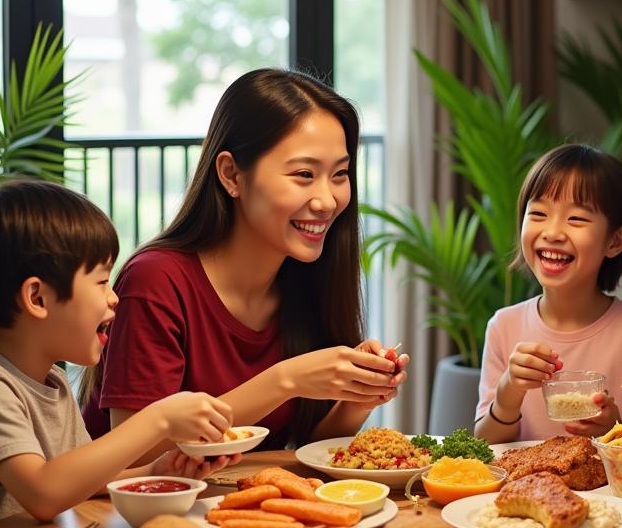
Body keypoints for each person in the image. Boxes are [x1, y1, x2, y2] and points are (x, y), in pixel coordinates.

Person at [82, 69, 408, 453]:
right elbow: (136, 456)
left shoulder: (305, 278)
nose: (327, 200)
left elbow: (305, 451)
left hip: (240, 505)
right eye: (304, 174)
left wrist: (356, 399)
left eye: (339, 174)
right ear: (231, 174)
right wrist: (286, 380)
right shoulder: (156, 280)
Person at [0, 178, 232, 528]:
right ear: (37, 298)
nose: (114, 298)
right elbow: (44, 493)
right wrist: (159, 419)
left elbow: (78, 481)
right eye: (101, 281)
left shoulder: (53, 379)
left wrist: (158, 469)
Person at [474, 144, 622, 443]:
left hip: (607, 490)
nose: (553, 232)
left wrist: (615, 428)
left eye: (576, 219)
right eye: (539, 213)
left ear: (615, 240)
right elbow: (485, 446)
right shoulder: (504, 327)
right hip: (522, 488)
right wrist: (508, 394)